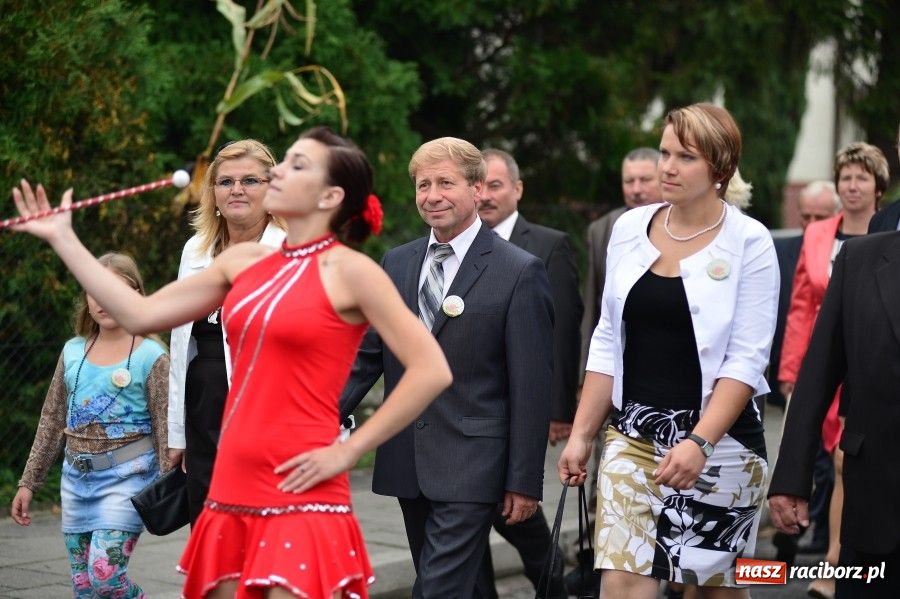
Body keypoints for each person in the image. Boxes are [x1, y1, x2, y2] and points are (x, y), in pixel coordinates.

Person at [10, 126, 453, 599]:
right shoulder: (241, 261)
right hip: (231, 476)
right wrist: (63, 238)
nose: (278, 170)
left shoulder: (352, 271)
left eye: (296, 164)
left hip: (300, 476)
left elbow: (431, 369)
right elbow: (139, 313)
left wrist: (350, 449)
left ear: (330, 196)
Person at [558, 103, 778, 597]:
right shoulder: (630, 229)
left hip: (722, 447)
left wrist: (699, 442)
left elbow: (746, 358)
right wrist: (581, 435)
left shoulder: (750, 242)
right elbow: (607, 338)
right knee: (620, 579)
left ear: (720, 169)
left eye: (686, 156)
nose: (668, 167)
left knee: (714, 587)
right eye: (664, 152)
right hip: (632, 437)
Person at [339, 137, 554, 598]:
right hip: (407, 461)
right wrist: (313, 413)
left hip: (475, 462)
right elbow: (367, 356)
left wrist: (524, 479)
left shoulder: (519, 270)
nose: (431, 195)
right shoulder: (397, 262)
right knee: (465, 588)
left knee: (435, 589)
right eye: (422, 185)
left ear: (477, 190)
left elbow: (531, 386)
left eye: (445, 183)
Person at [11, 252, 169, 598]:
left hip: (128, 481)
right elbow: (52, 419)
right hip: (75, 481)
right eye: (95, 288)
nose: (103, 298)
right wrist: (29, 482)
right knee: (84, 588)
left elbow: (166, 427)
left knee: (107, 579)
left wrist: (170, 491)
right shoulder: (72, 351)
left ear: (136, 294)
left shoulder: (150, 356)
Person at [777, 142, 888, 599]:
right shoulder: (820, 234)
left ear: (878, 186)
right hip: (825, 362)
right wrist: (790, 369)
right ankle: (792, 549)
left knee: (846, 462)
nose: (852, 185)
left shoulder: (886, 230)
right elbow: (802, 306)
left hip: (869, 362)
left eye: (862, 177)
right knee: (820, 460)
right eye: (846, 178)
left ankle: (838, 563)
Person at [474, 148, 581, 599]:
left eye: (495, 185)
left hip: (522, 405)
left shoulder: (548, 243)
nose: (485, 196)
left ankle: (552, 587)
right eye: (479, 186)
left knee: (522, 520)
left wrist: (559, 410)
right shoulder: (454, 243)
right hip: (474, 404)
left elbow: (562, 331)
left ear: (517, 189)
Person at [167, 139, 285, 525]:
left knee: (259, 526)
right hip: (203, 410)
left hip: (265, 415)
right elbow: (179, 342)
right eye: (225, 182)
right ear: (212, 193)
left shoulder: (292, 249)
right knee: (208, 525)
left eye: (250, 180)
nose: (236, 190)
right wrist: (177, 433)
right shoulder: (194, 250)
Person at [768, 181, 839, 566]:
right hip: (807, 365)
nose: (811, 223)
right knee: (808, 456)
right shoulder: (786, 248)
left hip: (849, 363)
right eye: (806, 216)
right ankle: (792, 540)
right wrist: (789, 368)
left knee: (839, 458)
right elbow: (793, 312)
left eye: (820, 216)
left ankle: (830, 537)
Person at [580, 147, 662, 368]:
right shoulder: (601, 230)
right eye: (629, 181)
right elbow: (591, 305)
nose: (636, 189)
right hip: (615, 358)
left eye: (645, 180)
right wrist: (583, 375)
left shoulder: (684, 225)